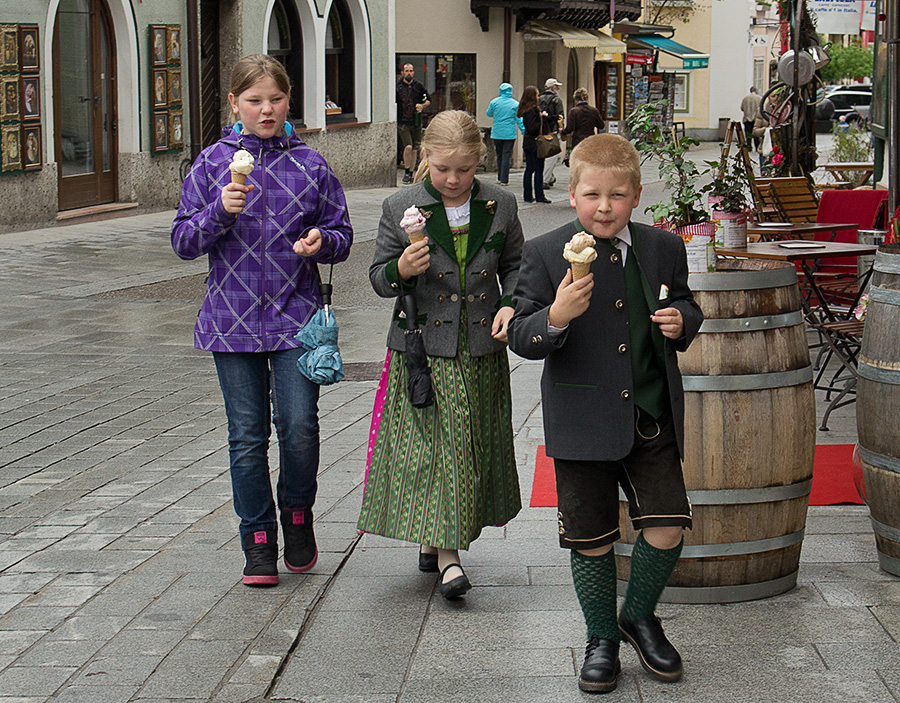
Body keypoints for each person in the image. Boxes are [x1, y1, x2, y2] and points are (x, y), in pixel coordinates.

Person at [508, 133, 703, 693]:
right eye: (592, 194)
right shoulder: (546, 253)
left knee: (667, 526)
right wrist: (556, 316)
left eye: (617, 195)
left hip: (651, 416)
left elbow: (687, 302)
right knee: (590, 538)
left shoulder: (663, 247)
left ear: (636, 196)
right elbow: (523, 333)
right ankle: (601, 637)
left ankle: (638, 614)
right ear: (572, 194)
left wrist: (682, 322)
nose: (604, 206)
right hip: (581, 422)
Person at [171, 54, 353, 587]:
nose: (266, 110)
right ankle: (257, 540)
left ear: (288, 99)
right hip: (230, 322)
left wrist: (323, 243)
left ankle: (297, 515)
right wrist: (219, 212)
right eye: (254, 101)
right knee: (247, 436)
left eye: (275, 99)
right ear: (234, 104)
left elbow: (340, 232)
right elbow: (184, 241)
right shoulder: (211, 164)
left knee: (298, 428)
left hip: (296, 319)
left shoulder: (311, 164)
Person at [358, 110, 523, 600]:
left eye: (465, 169)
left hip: (481, 348)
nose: (453, 179)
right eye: (442, 168)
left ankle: (433, 541)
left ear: (481, 162)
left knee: (466, 446)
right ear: (423, 157)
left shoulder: (501, 204)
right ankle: (450, 557)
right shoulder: (399, 205)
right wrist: (402, 269)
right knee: (440, 449)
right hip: (424, 351)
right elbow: (377, 278)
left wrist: (512, 305)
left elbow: (516, 266)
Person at [396, 63, 431, 185]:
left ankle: (411, 172)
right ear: (402, 72)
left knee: (415, 149)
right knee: (408, 146)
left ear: (413, 72)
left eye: (411, 71)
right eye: (406, 71)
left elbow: (428, 100)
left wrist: (422, 105)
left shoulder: (418, 86)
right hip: (403, 121)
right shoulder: (398, 87)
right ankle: (406, 171)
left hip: (416, 121)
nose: (409, 73)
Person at [517, 85, 552, 204]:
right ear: (532, 96)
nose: (538, 97)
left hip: (528, 143)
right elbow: (533, 128)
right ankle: (539, 196)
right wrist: (542, 118)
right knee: (538, 170)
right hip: (534, 143)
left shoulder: (526, 109)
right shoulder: (531, 111)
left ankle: (528, 195)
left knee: (529, 169)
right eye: (537, 95)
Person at [486, 82, 524, 187]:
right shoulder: (515, 104)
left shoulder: (494, 102)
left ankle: (499, 177)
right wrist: (523, 130)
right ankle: (504, 179)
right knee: (506, 155)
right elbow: (519, 119)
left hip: (497, 133)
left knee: (499, 155)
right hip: (509, 133)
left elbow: (488, 113)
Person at [539, 78, 565, 188]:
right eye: (557, 86)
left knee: (542, 155)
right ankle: (545, 179)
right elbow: (560, 117)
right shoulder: (556, 100)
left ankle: (549, 177)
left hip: (540, 131)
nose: (558, 88)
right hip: (553, 131)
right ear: (552, 87)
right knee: (552, 156)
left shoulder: (539, 99)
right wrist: (561, 129)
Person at [561, 87, 605, 153]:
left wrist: (562, 132)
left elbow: (569, 128)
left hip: (578, 141)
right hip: (590, 140)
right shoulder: (594, 110)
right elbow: (601, 125)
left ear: (576, 99)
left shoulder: (574, 111)